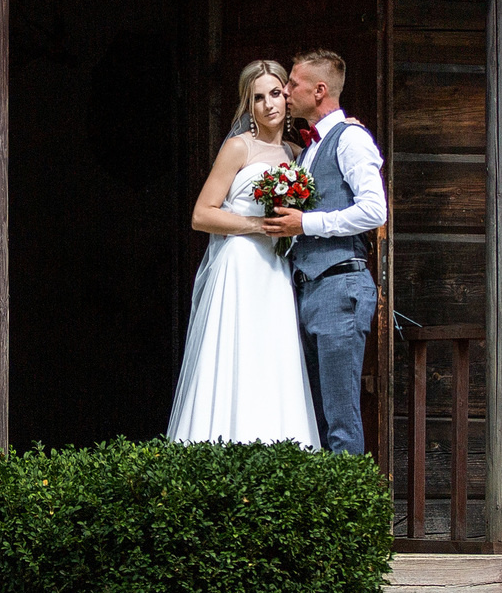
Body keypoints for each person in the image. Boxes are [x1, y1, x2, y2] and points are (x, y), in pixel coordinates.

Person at [164, 59, 321, 447]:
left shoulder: (298, 151)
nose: (269, 105)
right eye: (257, 98)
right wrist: (257, 227)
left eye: (274, 94)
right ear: (247, 106)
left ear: (287, 95)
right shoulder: (238, 148)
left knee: (274, 359)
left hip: (276, 270)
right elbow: (202, 215)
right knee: (236, 356)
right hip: (240, 266)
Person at [259, 49, 386, 455]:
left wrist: (306, 224)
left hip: (339, 286)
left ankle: (351, 513)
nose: (286, 90)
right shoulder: (308, 148)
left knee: (340, 418)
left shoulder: (350, 139)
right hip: (309, 289)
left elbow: (374, 209)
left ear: (319, 90)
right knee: (315, 416)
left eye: (293, 84)